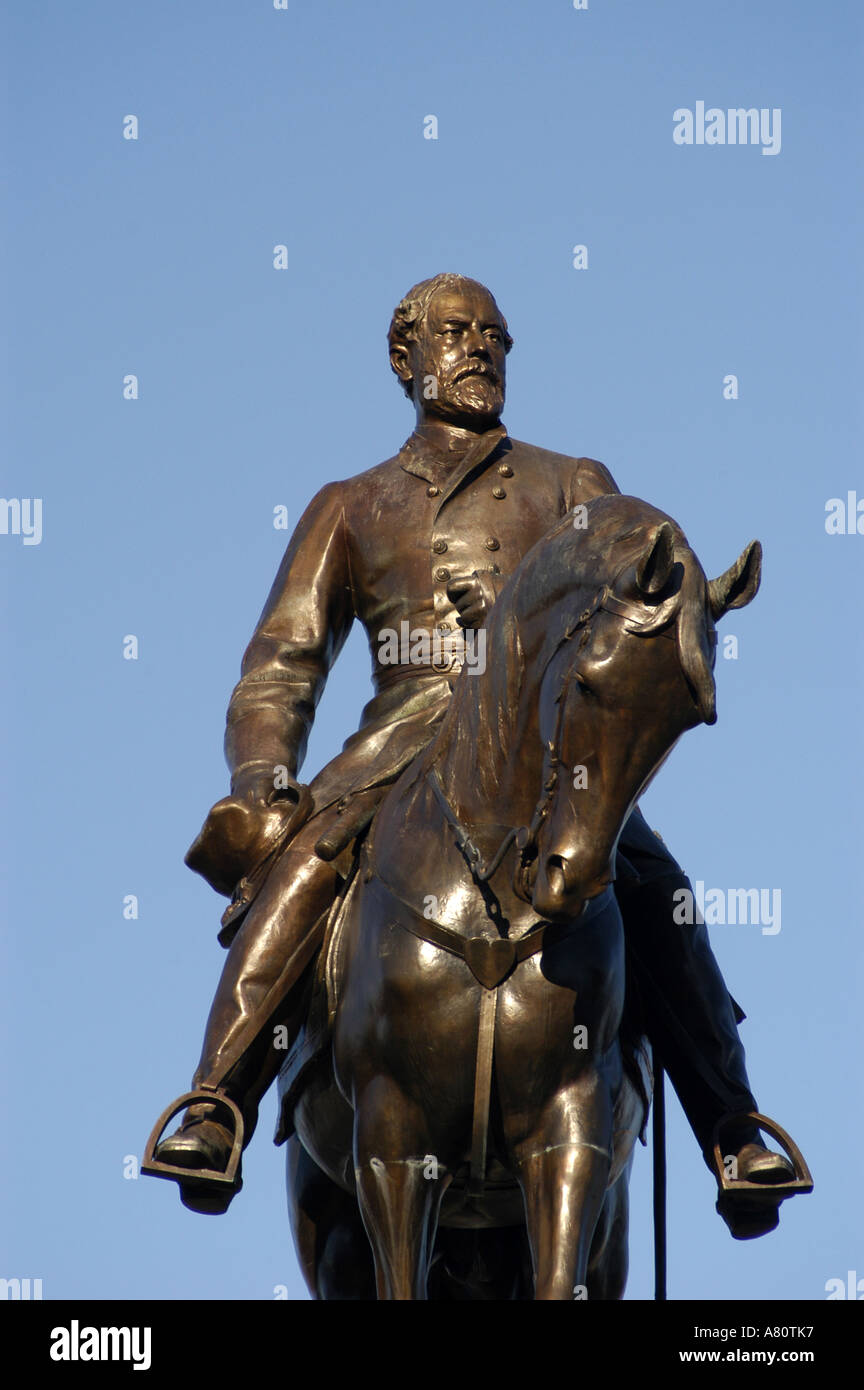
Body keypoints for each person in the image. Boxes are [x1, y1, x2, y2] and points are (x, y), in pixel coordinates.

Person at [150, 273, 796, 1236]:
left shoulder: (569, 479)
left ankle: (732, 1125)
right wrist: (261, 779)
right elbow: (281, 665)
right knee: (304, 869)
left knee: (657, 882)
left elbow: (636, 578)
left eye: (495, 336)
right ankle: (219, 1098)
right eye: (455, 333)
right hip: (399, 736)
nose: (480, 349)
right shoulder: (351, 503)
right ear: (404, 357)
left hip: (544, 752)